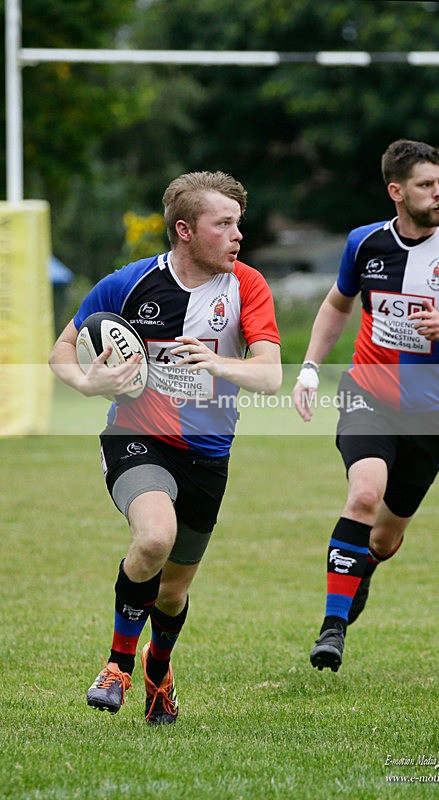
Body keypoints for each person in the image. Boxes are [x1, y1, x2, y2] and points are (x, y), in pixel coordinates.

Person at [49, 171, 282, 723]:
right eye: (223, 224)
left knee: (172, 594)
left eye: (238, 224)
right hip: (136, 439)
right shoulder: (128, 284)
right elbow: (62, 350)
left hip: (208, 454)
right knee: (155, 537)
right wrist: (87, 382)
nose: (237, 236)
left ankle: (159, 668)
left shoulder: (246, 286)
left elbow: (270, 375)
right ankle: (117, 667)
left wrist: (217, 362)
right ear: (185, 229)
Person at [293, 139, 439, 672]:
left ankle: (365, 565)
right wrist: (309, 367)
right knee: (364, 495)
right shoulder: (364, 243)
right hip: (367, 395)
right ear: (396, 191)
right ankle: (332, 628)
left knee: (386, 538)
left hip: (431, 415)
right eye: (426, 184)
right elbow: (337, 305)